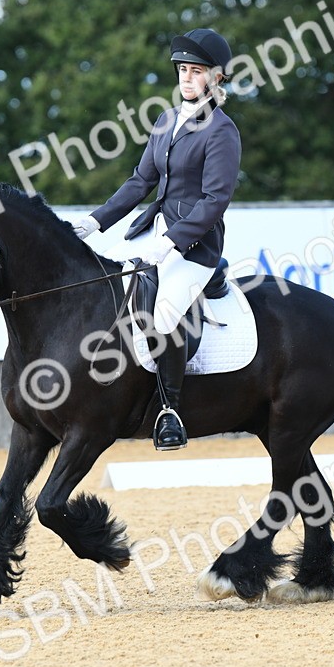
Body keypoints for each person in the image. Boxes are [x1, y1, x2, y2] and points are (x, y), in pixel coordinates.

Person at [73, 28, 241, 451]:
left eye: (196, 71)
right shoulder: (167, 120)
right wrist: (94, 222)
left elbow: (214, 200)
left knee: (165, 316)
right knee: (101, 281)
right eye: (183, 69)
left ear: (216, 77)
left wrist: (172, 243)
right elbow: (141, 181)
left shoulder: (221, 131)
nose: (186, 78)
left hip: (195, 243)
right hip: (151, 228)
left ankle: (170, 411)